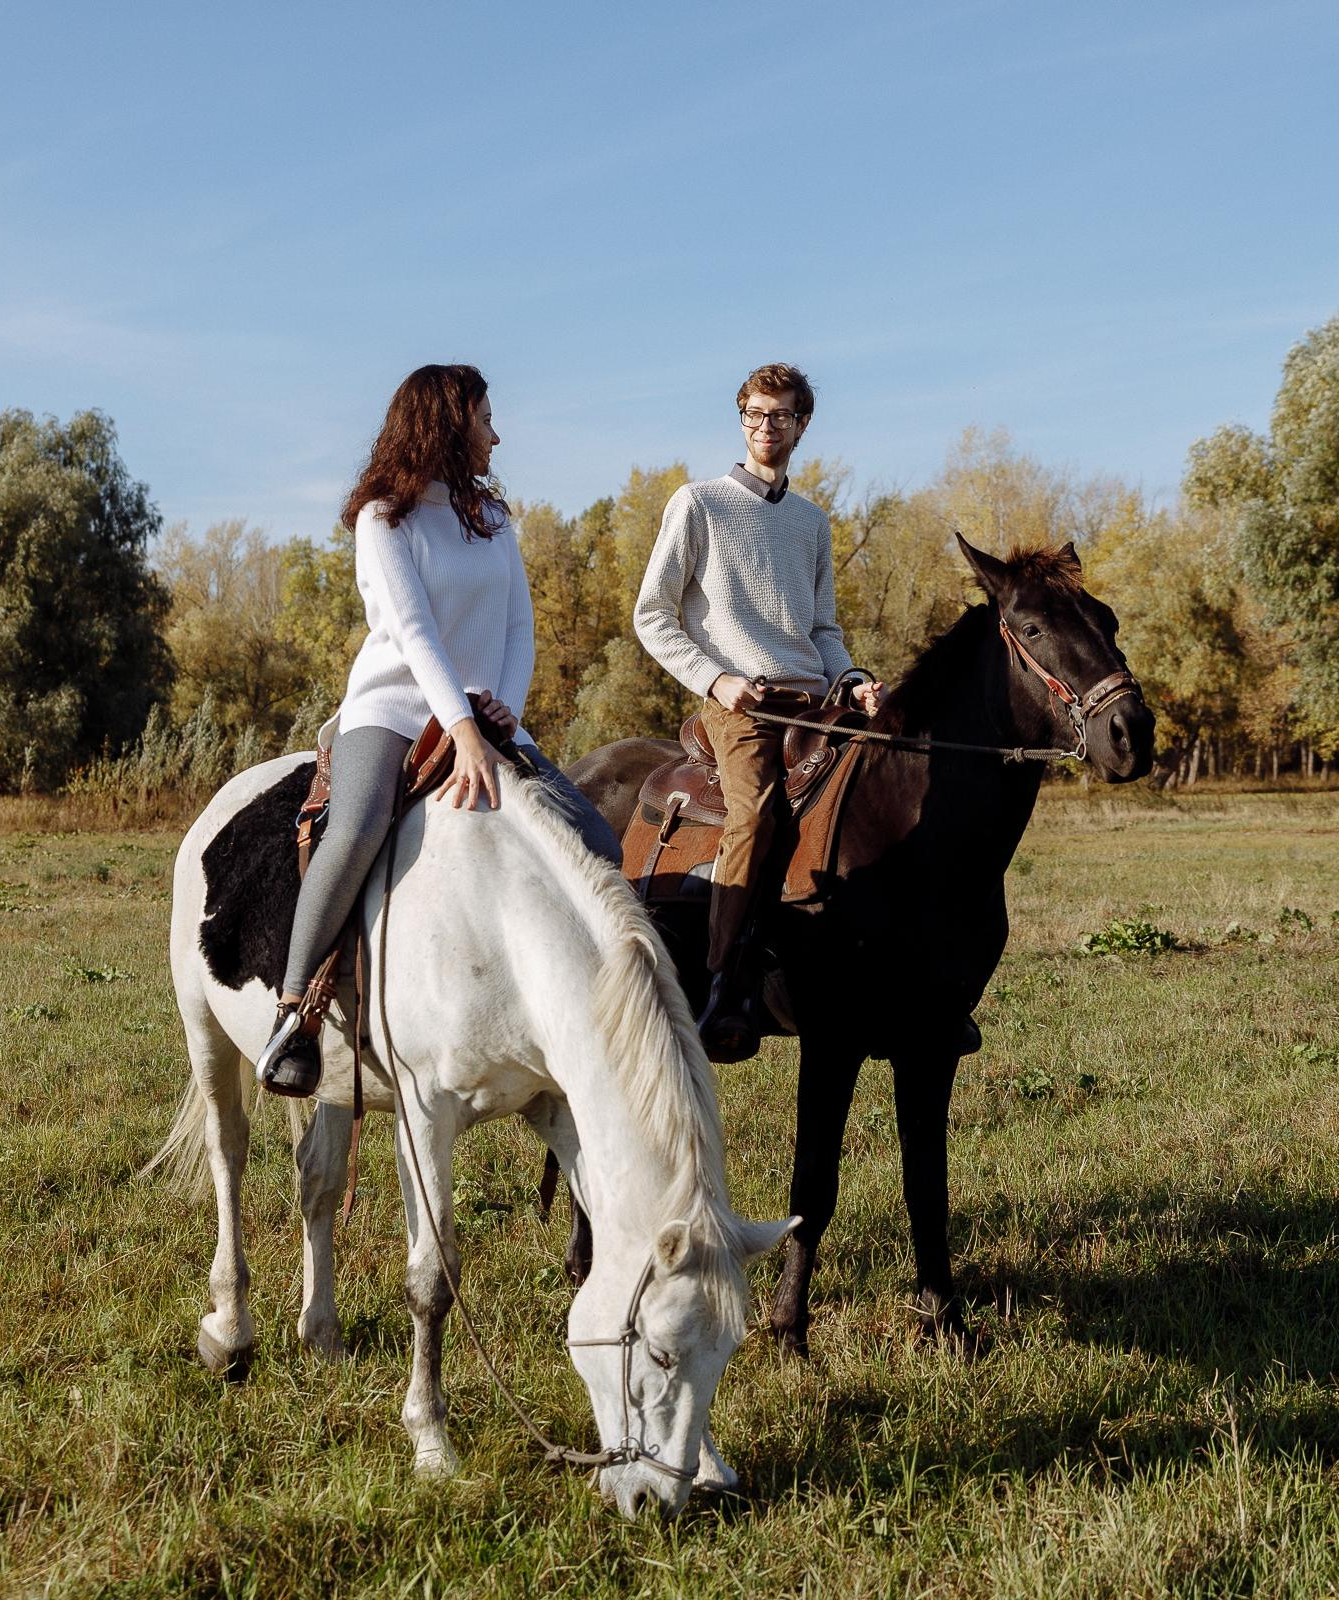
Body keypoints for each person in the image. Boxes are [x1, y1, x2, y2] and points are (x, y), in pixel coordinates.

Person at [258, 364, 619, 1098]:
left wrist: (503, 713)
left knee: (598, 838)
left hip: (482, 715)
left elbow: (520, 625)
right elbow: (413, 630)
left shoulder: (491, 520)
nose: (496, 434)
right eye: (486, 419)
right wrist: (459, 724)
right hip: (393, 710)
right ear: (450, 426)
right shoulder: (382, 518)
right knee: (356, 827)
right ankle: (294, 1013)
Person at [632, 363, 884, 1062]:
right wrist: (716, 681)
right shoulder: (698, 503)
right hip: (741, 704)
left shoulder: (811, 523)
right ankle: (724, 985)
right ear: (741, 420)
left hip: (817, 698)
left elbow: (824, 629)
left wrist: (855, 681)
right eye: (753, 414)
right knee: (757, 814)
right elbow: (652, 615)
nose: (765, 427)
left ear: (802, 425)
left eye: (779, 416)